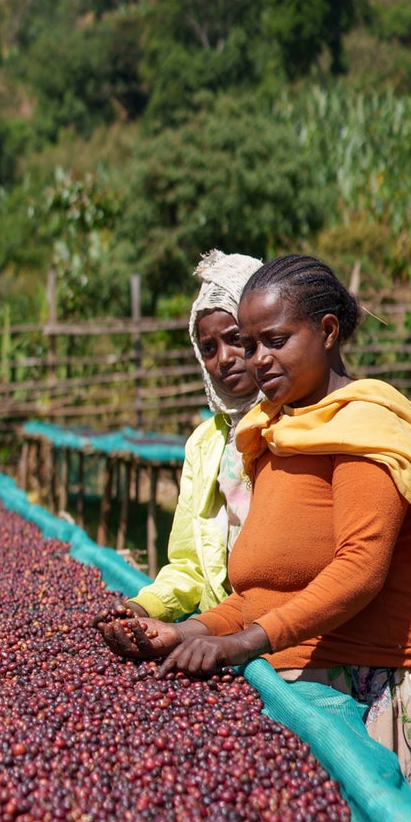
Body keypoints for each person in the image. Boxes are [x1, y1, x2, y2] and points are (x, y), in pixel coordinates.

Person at [98, 252, 411, 822]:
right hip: (306, 692)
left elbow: (358, 572)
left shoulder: (363, 429)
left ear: (327, 332)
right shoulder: (278, 435)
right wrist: (186, 629)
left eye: (276, 341)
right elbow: (265, 590)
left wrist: (240, 643)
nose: (257, 359)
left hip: (378, 694)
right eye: (250, 344)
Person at [116, 248, 261, 622]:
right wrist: (143, 608)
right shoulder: (205, 443)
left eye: (236, 339)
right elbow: (188, 565)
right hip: (221, 639)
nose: (224, 358)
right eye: (209, 348)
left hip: (288, 640)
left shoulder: (296, 424)